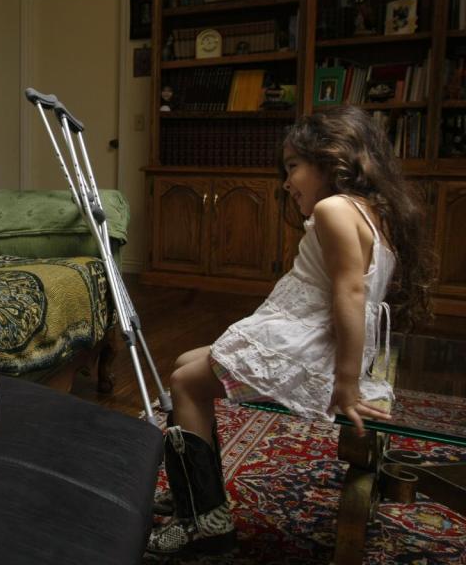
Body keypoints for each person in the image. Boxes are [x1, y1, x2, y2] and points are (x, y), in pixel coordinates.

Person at [145, 106, 433, 557]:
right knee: (185, 364)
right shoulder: (372, 210)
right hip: (314, 338)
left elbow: (351, 295)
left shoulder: (334, 208)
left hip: (313, 345)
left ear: (330, 160)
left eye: (293, 167)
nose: (286, 181)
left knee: (184, 382)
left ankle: (206, 524)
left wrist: (346, 381)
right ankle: (193, 495)